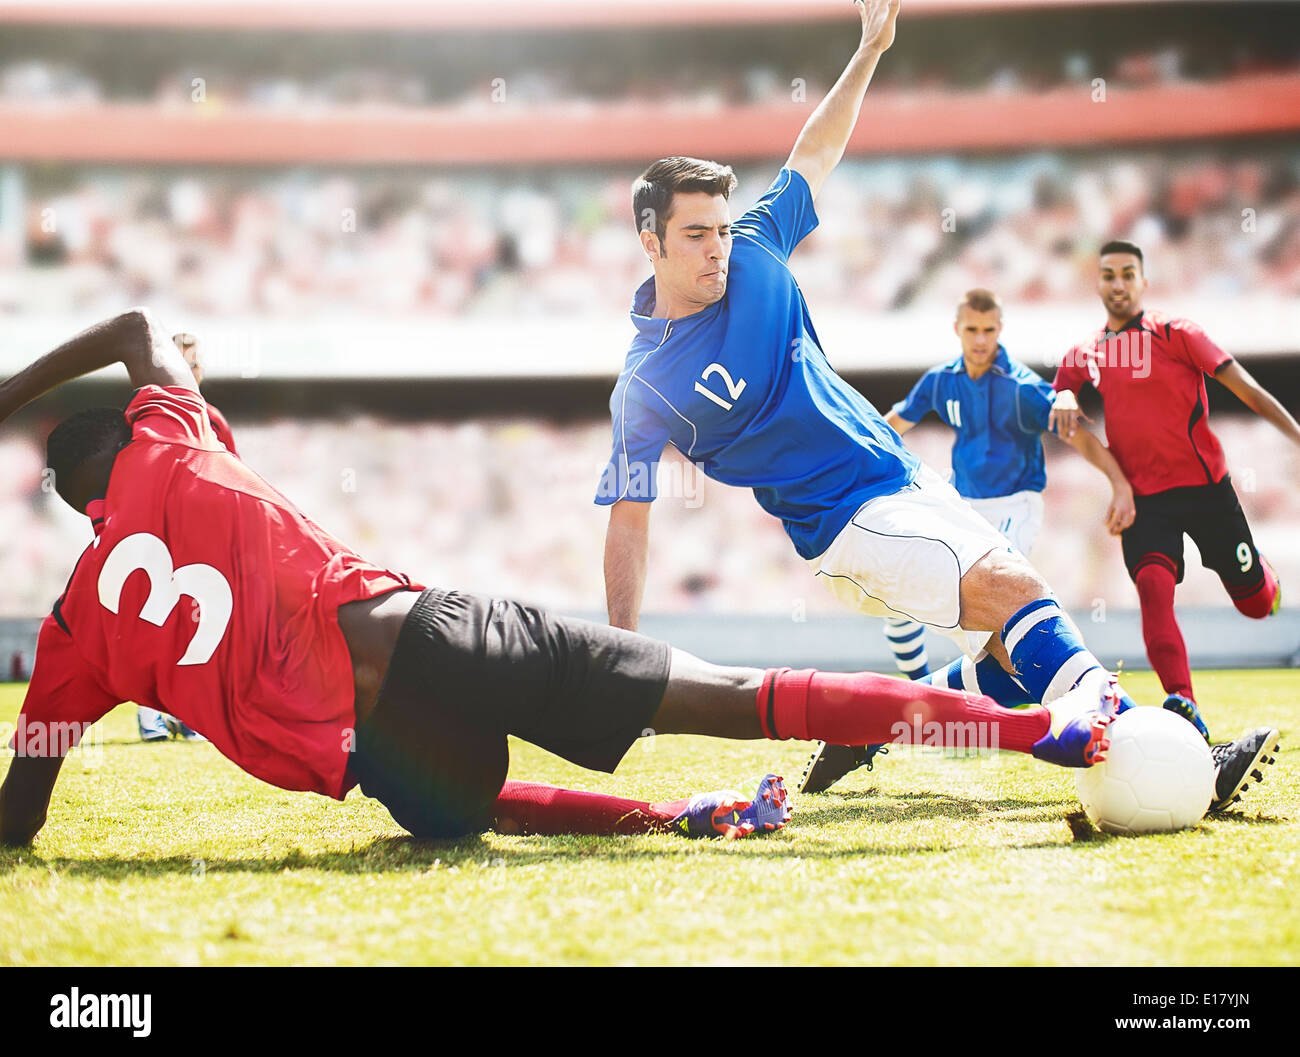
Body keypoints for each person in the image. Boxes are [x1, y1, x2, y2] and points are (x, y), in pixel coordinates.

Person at [0, 308, 1106, 849]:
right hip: (423, 633)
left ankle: (666, 816)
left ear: (70, 505)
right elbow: (143, 326)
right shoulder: (175, 438)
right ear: (133, 428)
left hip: (387, 761)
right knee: (732, 698)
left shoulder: (70, 637)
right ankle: (1035, 734)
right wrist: (12, 389)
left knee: (463, 806)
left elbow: (22, 809)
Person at [593, 0, 1272, 809]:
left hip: (904, 481)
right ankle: (1166, 757)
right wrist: (624, 657)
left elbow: (813, 155)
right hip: (842, 524)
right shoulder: (644, 386)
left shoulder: (756, 249)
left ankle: (868, 725)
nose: (718, 247)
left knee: (1007, 657)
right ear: (651, 240)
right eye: (697, 234)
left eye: (721, 228)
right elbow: (629, 520)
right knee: (1016, 588)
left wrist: (870, 48)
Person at [1048, 239, 1287, 805]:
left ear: (1143, 282)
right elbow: (1068, 411)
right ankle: (1186, 704)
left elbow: (1246, 389)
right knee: (1154, 590)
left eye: (1128, 273)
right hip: (1145, 501)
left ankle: (1265, 584)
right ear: (1098, 283)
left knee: (1255, 604)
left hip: (1208, 491)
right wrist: (1064, 403)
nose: (1117, 283)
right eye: (1107, 275)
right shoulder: (1084, 353)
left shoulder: (1178, 333)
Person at [877, 287, 1135, 682]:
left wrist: (1120, 484)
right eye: (972, 330)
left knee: (996, 612)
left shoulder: (1022, 389)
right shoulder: (942, 380)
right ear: (957, 329)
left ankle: (1074, 683)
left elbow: (1080, 437)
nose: (980, 340)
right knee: (899, 608)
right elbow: (895, 422)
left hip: (1014, 507)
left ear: (999, 329)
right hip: (960, 504)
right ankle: (921, 693)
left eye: (988, 330)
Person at [135, 332, 226, 743]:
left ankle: (190, 714)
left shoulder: (213, 418)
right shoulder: (142, 414)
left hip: (200, 533)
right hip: (156, 531)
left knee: (196, 618)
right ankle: (152, 715)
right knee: (153, 618)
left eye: (194, 364)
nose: (188, 372)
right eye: (180, 363)